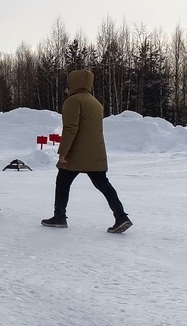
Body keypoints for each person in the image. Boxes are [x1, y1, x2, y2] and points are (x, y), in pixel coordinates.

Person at [41, 68, 133, 233]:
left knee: (62, 182)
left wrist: (63, 152)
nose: (66, 88)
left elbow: (71, 128)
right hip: (95, 152)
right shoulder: (95, 102)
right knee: (104, 185)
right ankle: (121, 216)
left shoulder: (73, 101)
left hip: (76, 153)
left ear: (73, 84)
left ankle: (59, 216)